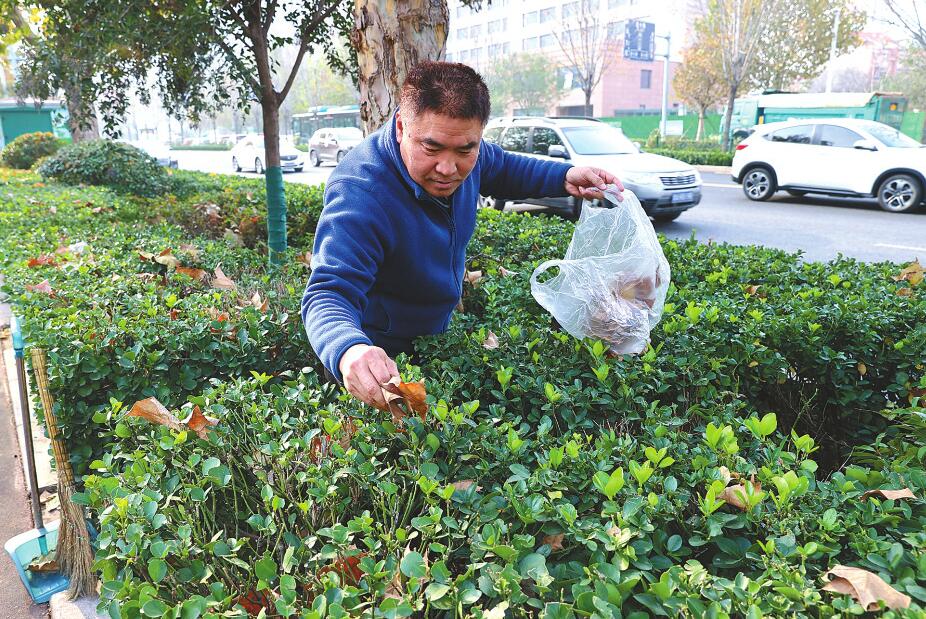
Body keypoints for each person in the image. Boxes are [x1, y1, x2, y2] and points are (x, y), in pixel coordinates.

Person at [302, 61, 623, 409]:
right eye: (432, 148)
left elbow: (502, 167)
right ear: (400, 127)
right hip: (383, 361)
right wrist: (350, 350)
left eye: (465, 150)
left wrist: (566, 175)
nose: (447, 169)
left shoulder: (468, 152)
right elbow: (328, 291)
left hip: (440, 336)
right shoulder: (360, 192)